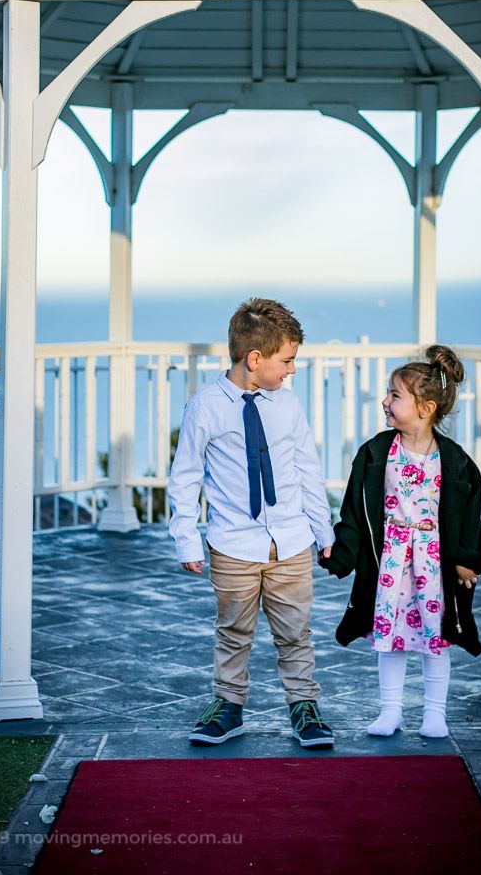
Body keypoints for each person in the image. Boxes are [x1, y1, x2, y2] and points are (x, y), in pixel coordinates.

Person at [168, 297, 336, 748]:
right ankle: (229, 706)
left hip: (291, 542)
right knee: (234, 631)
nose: (292, 370)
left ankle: (304, 705)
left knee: (295, 631)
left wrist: (325, 533)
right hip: (233, 545)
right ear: (255, 359)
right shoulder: (206, 407)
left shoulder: (288, 406)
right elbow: (184, 477)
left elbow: (307, 470)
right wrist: (186, 540)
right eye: (288, 360)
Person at [319, 344, 481, 739]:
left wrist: (467, 559)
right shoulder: (376, 453)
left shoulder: (457, 461)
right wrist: (341, 553)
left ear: (426, 407)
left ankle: (435, 714)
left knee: (437, 636)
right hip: (391, 563)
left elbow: (469, 516)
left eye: (395, 395)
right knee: (390, 639)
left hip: (433, 564)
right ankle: (391, 711)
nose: (385, 401)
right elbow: (354, 512)